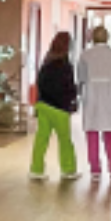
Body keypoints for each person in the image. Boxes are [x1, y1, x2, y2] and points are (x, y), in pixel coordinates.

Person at [29, 31, 80, 181]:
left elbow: (40, 83)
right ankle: (68, 170)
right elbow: (69, 87)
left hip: (43, 105)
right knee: (65, 140)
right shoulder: (65, 65)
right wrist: (73, 98)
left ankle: (36, 169)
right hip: (60, 108)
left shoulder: (46, 61)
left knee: (41, 138)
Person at [77, 25, 111, 183]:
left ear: (93, 38)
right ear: (107, 37)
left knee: (92, 134)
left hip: (91, 97)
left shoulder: (85, 55)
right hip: (109, 96)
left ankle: (95, 170)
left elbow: (81, 78)